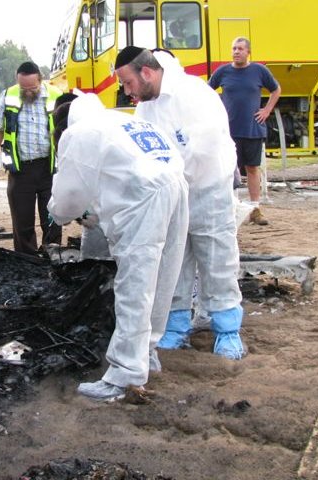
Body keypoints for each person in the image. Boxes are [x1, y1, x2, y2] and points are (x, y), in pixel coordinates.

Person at [48, 92, 189, 400]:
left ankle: (124, 376)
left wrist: (56, 210)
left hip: (146, 198)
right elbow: (117, 175)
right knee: (163, 277)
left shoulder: (79, 133)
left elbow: (67, 200)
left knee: (134, 286)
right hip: (176, 185)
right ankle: (147, 353)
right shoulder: (120, 121)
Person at [114, 46, 245, 360]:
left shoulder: (194, 95)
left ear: (146, 73)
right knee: (173, 259)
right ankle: (175, 325)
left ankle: (227, 330)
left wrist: (171, 174)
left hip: (207, 187)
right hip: (172, 192)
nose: (126, 91)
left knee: (216, 256)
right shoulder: (146, 106)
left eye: (128, 83)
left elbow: (204, 149)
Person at [0, 61, 63, 255]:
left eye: (32, 88)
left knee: (53, 218)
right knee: (22, 222)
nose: (28, 92)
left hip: (49, 168)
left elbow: (67, 128)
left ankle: (52, 255)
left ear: (40, 80)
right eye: (24, 88)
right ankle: (26, 259)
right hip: (21, 170)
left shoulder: (56, 95)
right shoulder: (9, 96)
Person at [209, 37, 281, 226]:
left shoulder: (259, 71)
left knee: (252, 168)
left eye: (240, 48)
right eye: (233, 48)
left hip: (252, 129)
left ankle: (255, 209)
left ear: (248, 51)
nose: (236, 52)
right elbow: (208, 92)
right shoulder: (223, 72)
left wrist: (266, 110)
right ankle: (230, 209)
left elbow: (276, 89)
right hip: (228, 131)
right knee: (228, 170)